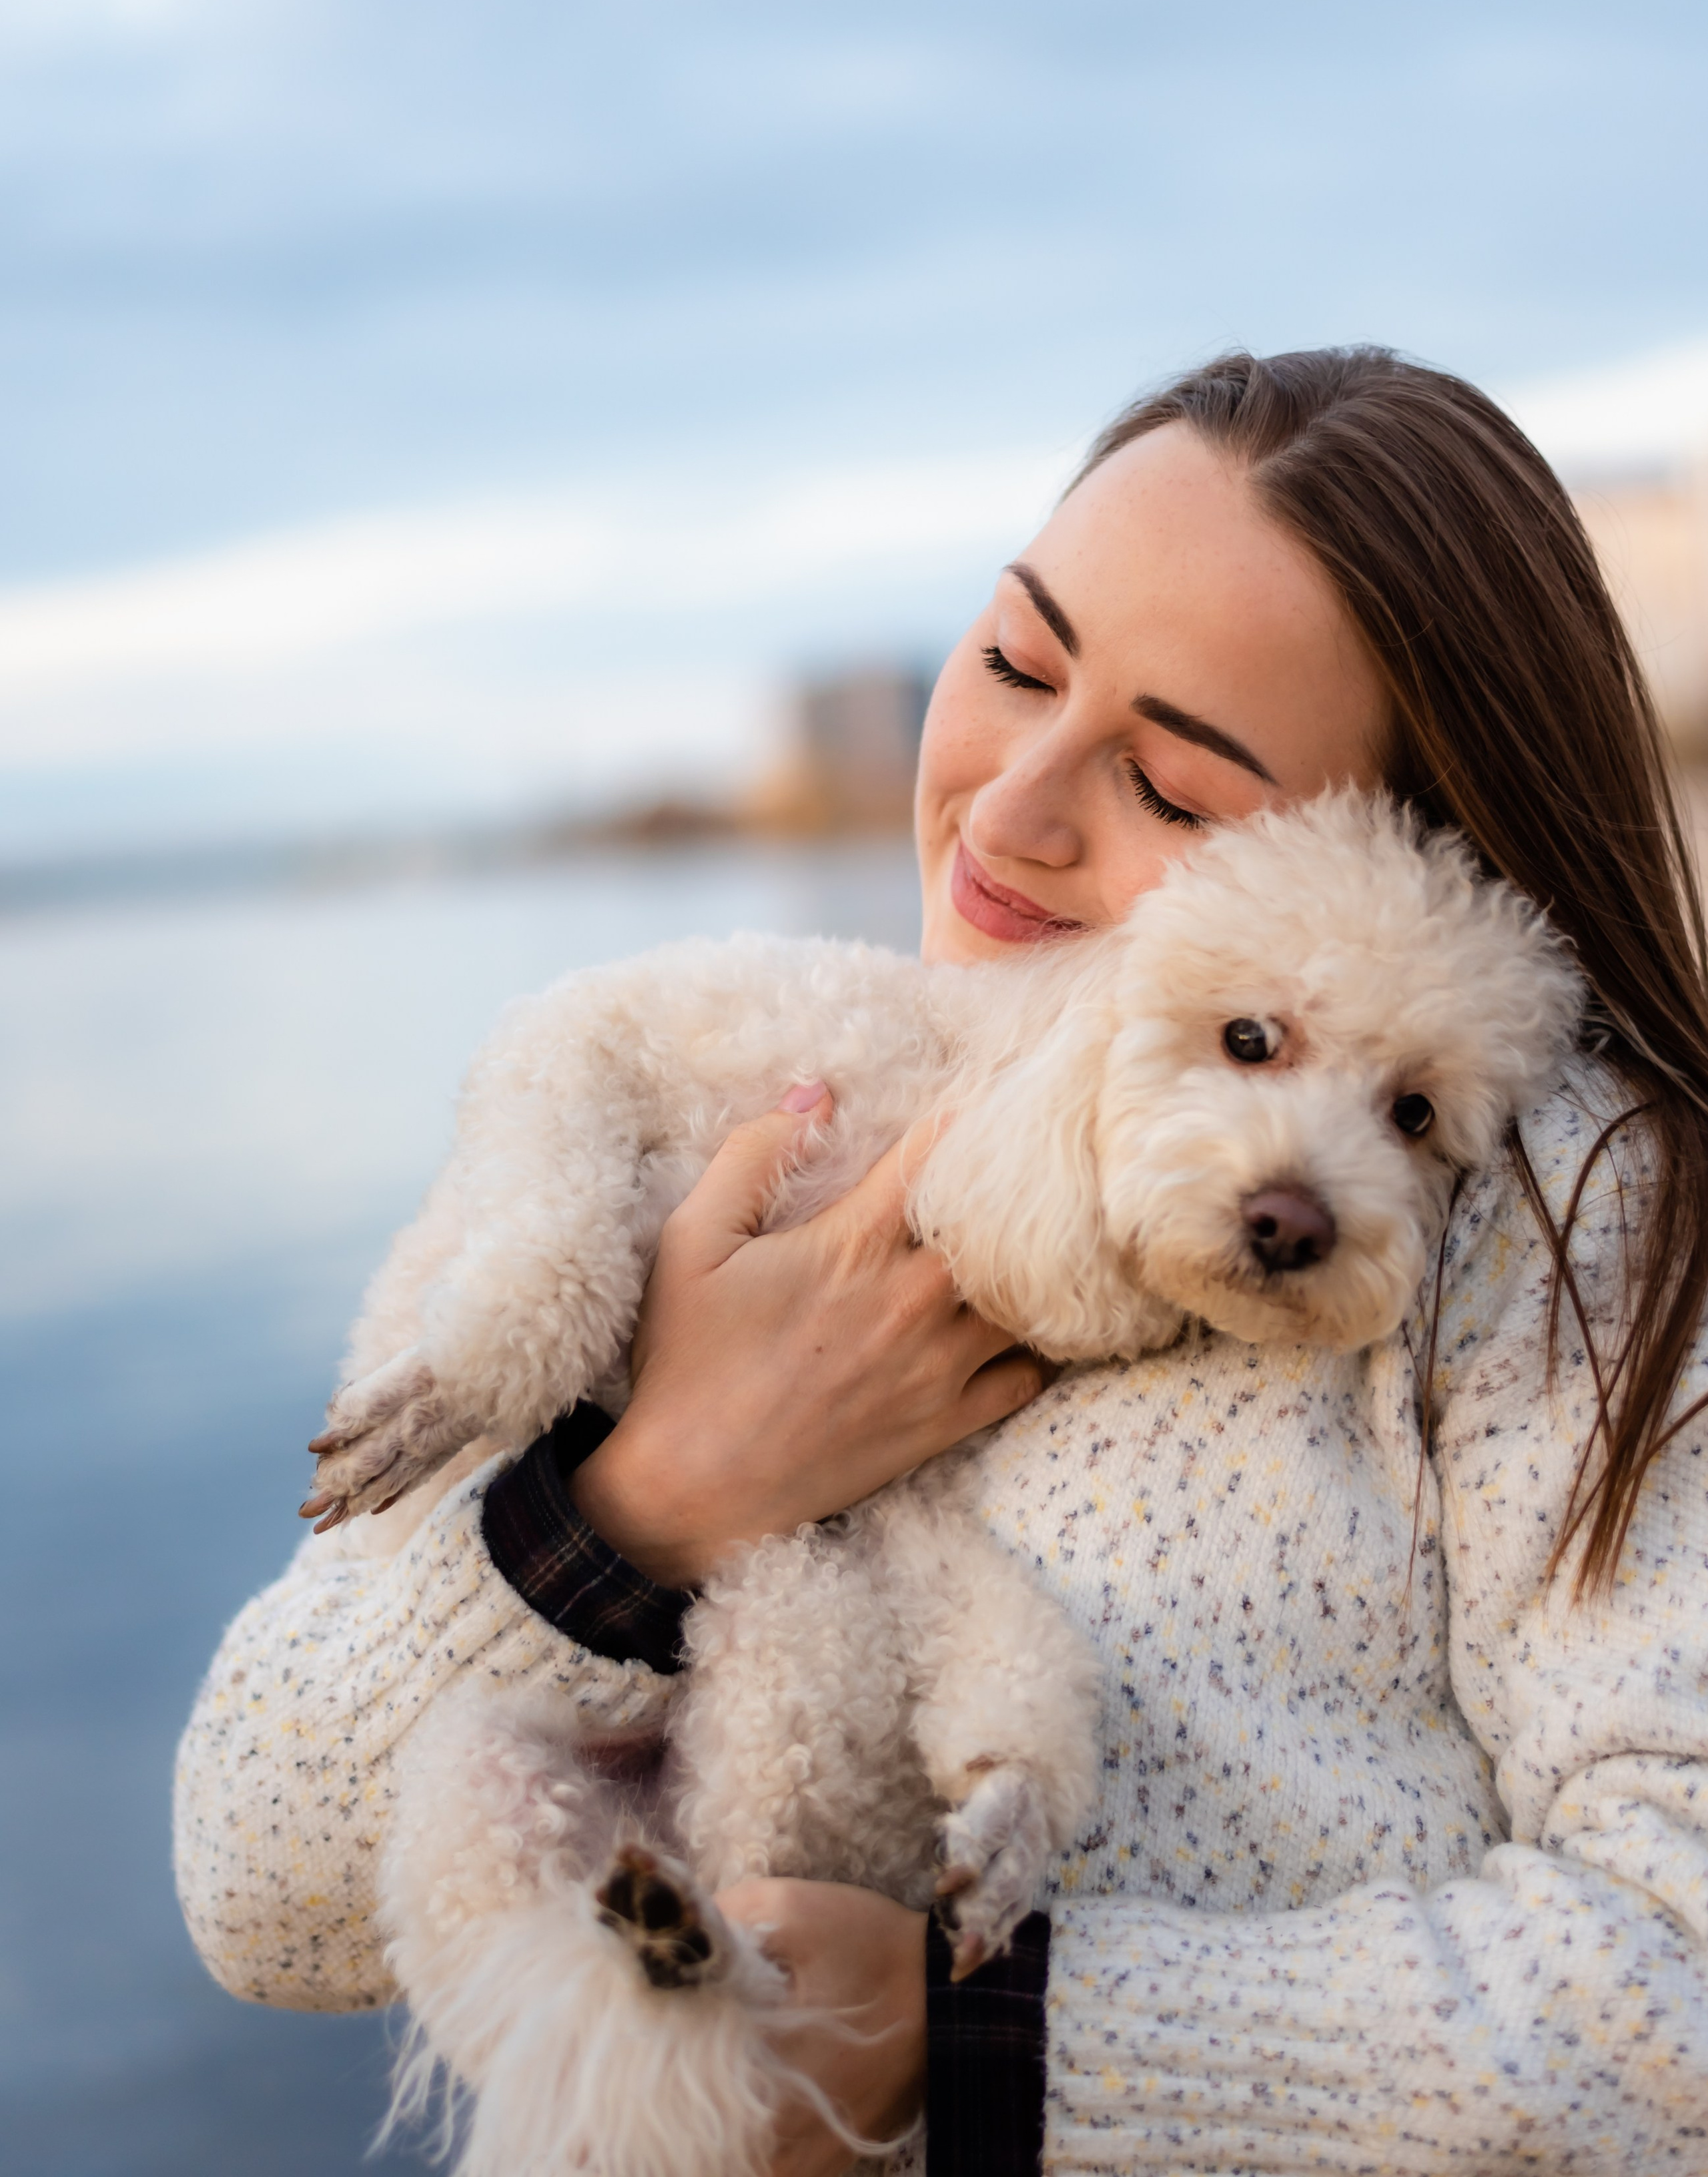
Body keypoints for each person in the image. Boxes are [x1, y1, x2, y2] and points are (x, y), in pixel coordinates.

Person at [175, 347, 1708, 2175]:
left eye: (1175, 788)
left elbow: (1674, 1974)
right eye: (1013, 664)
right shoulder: (734, 1123)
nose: (1010, 809)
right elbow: (260, 1892)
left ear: (1406, 869)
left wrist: (969, 2040)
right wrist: (656, 1491)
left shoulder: (1547, 1204)